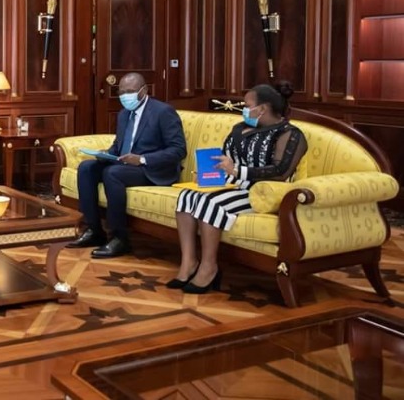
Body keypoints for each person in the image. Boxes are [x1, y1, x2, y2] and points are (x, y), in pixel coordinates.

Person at [168, 82, 307, 294]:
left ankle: (209, 267)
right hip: (236, 185)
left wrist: (237, 171)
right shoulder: (240, 129)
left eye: (247, 105)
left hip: (265, 193)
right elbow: (227, 159)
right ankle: (189, 263)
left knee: (209, 202)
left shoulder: (290, 134)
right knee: (187, 197)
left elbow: (281, 171)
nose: (243, 109)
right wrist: (209, 174)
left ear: (262, 108)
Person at [68, 72, 186, 258]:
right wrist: (106, 154)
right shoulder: (124, 114)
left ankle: (119, 238)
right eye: (121, 92)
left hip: (152, 170)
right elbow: (119, 146)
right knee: (86, 168)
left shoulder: (163, 112)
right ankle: (94, 230)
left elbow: (178, 150)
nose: (124, 96)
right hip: (125, 166)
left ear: (144, 90)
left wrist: (142, 159)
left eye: (129, 91)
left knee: (112, 173)